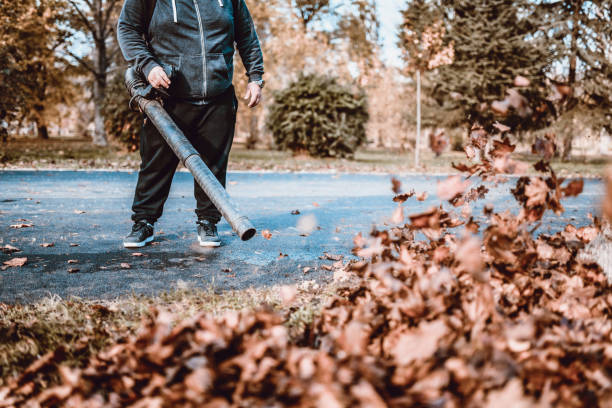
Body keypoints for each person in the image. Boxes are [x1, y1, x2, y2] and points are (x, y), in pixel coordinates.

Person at [117, 0, 264, 248]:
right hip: (167, 98)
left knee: (213, 166)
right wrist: (148, 65)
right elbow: (127, 28)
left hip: (218, 97)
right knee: (155, 165)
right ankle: (144, 222)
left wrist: (255, 77)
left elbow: (247, 36)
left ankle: (208, 222)